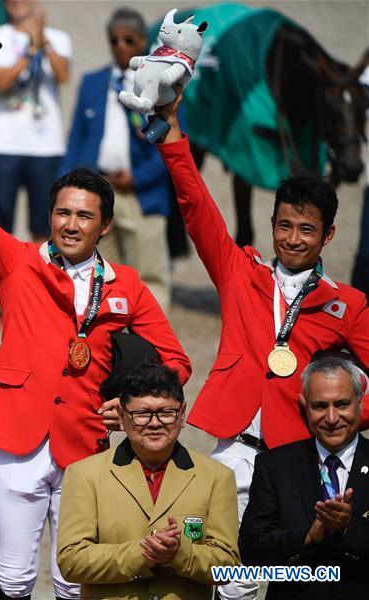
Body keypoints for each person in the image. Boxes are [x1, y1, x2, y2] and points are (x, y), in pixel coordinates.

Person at [0, 130, 191, 599]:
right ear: (50, 216)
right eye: (63, 213)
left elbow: (174, 361)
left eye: (84, 215)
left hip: (87, 441)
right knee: (12, 577)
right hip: (17, 434)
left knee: (75, 581)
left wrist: (132, 404)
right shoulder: (16, 260)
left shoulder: (126, 284)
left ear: (105, 225)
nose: (71, 224)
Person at [157, 89, 369, 599]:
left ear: (329, 235)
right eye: (285, 226)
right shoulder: (239, 272)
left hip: (298, 458)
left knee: (291, 576)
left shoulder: (350, 304)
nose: (293, 239)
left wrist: (341, 421)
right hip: (232, 448)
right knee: (216, 570)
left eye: (307, 230)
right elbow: (196, 206)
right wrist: (170, 126)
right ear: (272, 224)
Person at [57, 363, 240, 600]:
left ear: (182, 414)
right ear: (122, 417)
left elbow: (227, 565)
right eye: (141, 414)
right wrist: (142, 554)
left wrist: (179, 554)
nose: (154, 423)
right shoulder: (85, 475)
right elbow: (71, 561)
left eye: (166, 412)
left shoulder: (217, 477)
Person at [60, 7, 173, 309]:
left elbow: (173, 141)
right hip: (98, 193)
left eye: (128, 40)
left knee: (149, 274)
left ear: (143, 42)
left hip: (142, 194)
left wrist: (137, 178)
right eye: (114, 40)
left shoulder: (160, 85)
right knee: (101, 273)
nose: (120, 46)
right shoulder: (93, 81)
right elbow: (76, 139)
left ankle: (151, 344)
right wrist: (66, 187)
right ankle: (108, 339)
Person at [240, 353, 369, 599]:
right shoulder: (274, 465)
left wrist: (348, 528)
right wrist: (308, 537)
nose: (332, 418)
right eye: (320, 406)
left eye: (342, 404)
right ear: (303, 407)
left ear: (360, 403)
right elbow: (251, 551)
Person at [0, 0, 72, 330]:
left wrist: (42, 41)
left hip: (45, 146)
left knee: (43, 228)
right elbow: (1, 82)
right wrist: (30, 50)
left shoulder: (58, 38)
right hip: (1, 144)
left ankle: (35, 298)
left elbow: (62, 75)